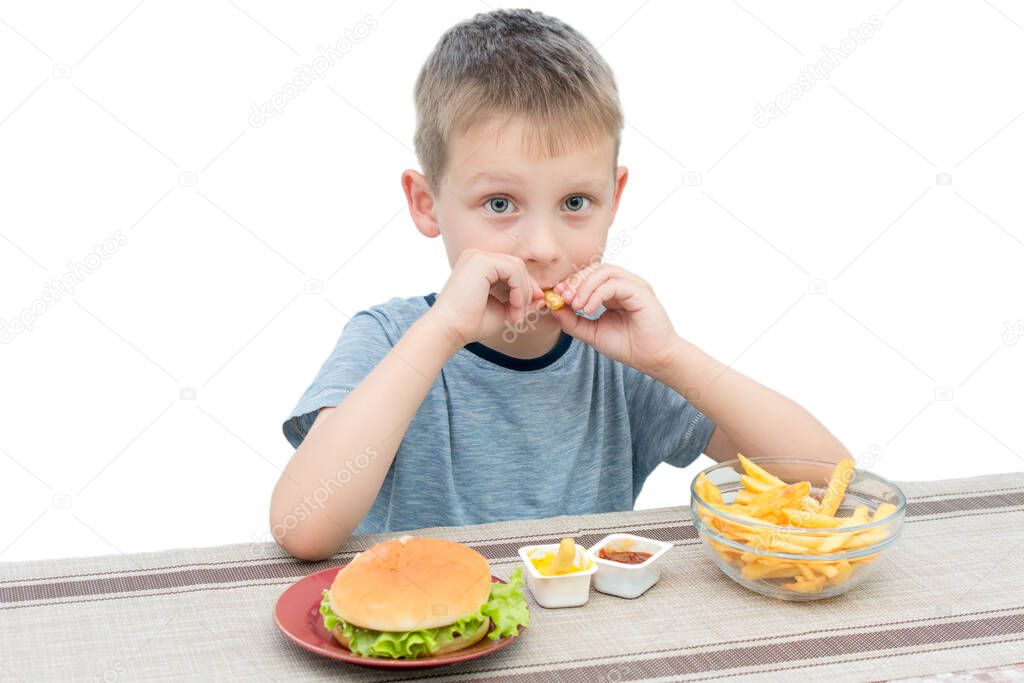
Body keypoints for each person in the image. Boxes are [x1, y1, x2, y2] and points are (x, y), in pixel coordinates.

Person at [269, 9, 850, 561]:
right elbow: (301, 528)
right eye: (500, 203)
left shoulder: (623, 364)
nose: (544, 247)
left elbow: (833, 484)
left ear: (614, 199)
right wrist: (441, 332)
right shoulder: (389, 340)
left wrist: (671, 358)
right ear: (427, 205)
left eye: (576, 202)